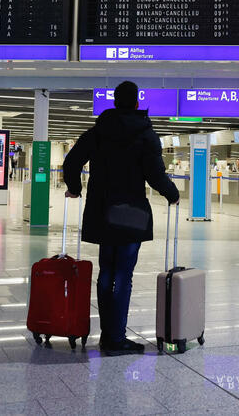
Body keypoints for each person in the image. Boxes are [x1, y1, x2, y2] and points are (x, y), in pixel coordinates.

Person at [63, 80, 180, 356]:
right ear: (137, 103)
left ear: (114, 102)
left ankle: (108, 335)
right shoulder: (145, 134)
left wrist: (75, 189)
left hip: (102, 211)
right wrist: (172, 193)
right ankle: (116, 338)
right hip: (130, 214)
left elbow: (71, 162)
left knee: (106, 272)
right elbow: (155, 174)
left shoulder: (98, 131)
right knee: (123, 275)